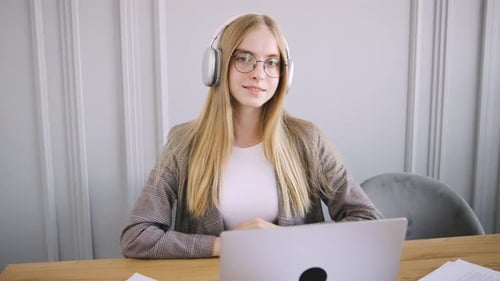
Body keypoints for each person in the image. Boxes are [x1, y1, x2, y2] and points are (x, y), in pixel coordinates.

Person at [120, 13, 382, 259]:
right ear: (217, 66)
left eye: (271, 62)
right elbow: (137, 236)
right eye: (244, 58)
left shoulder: (308, 140)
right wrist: (225, 245)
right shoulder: (183, 142)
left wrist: (284, 238)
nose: (259, 73)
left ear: (284, 74)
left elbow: (369, 222)